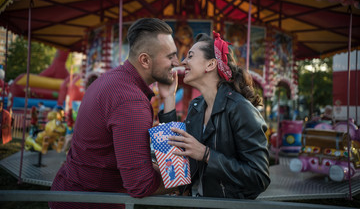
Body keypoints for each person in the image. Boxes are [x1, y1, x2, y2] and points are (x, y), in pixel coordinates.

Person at [49, 18, 180, 209]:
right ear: (144, 60)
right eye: (170, 56)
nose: (176, 62)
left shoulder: (112, 79)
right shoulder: (131, 101)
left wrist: (169, 99)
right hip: (88, 203)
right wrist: (181, 177)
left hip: (70, 193)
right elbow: (140, 186)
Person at [158, 31, 270, 199]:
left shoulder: (240, 109)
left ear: (210, 65)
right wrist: (169, 98)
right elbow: (176, 168)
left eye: (190, 56)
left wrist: (206, 155)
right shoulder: (196, 108)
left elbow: (259, 177)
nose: (183, 61)